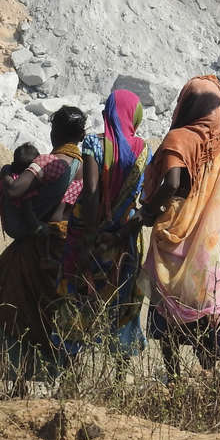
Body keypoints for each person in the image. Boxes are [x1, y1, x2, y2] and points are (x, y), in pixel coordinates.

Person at [126, 75, 220, 379]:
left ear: (186, 105)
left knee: (166, 306)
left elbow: (172, 183)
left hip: (175, 236)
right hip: (207, 243)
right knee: (205, 307)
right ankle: (209, 369)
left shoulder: (178, 139)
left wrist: (147, 213)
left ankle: (174, 375)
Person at [0, 106, 86, 395]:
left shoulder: (49, 161)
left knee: (19, 312)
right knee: (50, 313)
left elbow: (16, 191)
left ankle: (18, 382)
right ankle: (62, 380)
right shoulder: (81, 167)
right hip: (60, 250)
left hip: (31, 249)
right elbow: (67, 209)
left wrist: (5, 175)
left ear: (55, 131)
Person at [53, 90, 151, 377]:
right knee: (121, 300)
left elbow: (91, 191)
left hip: (89, 233)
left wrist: (89, 238)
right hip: (125, 240)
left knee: (77, 299)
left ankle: (69, 373)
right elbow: (144, 195)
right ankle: (119, 374)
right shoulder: (144, 149)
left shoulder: (94, 144)